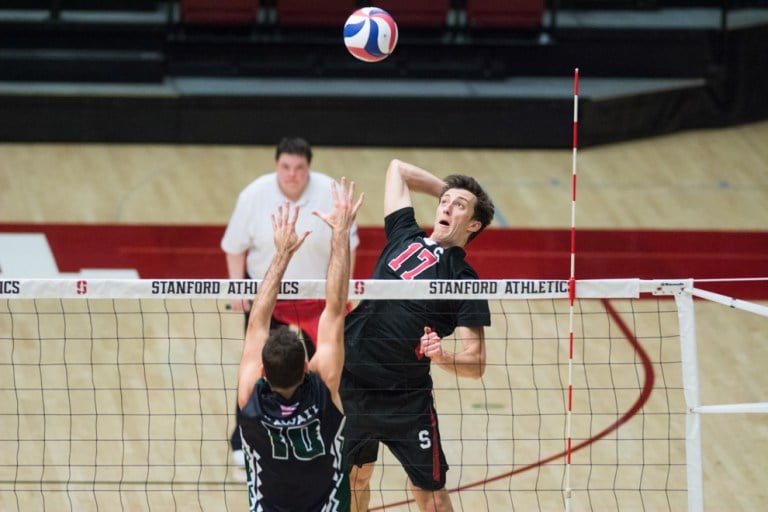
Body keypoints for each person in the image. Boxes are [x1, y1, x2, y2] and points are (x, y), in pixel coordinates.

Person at [340, 159, 495, 511]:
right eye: (444, 201)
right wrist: (448, 190)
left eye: (460, 206)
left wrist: (443, 357)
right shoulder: (405, 233)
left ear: (474, 224)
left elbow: (477, 363)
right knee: (355, 480)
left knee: (433, 498)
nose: (446, 206)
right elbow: (396, 169)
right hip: (354, 383)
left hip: (406, 401)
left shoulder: (464, 280)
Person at [222, 136, 360, 464]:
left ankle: (321, 430)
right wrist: (236, 288)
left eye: (299, 167)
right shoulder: (254, 194)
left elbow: (349, 245)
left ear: (308, 167)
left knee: (325, 371)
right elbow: (233, 247)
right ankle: (243, 438)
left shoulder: (329, 191)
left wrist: (346, 289)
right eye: (285, 166)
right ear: (276, 166)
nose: (292, 173)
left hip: (318, 300)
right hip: (270, 297)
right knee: (256, 368)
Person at [237, 177, 363, 511]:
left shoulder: (250, 397)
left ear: (263, 370)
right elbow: (336, 308)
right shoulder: (323, 385)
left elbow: (256, 324)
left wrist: (280, 255)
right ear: (307, 367)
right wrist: (340, 235)